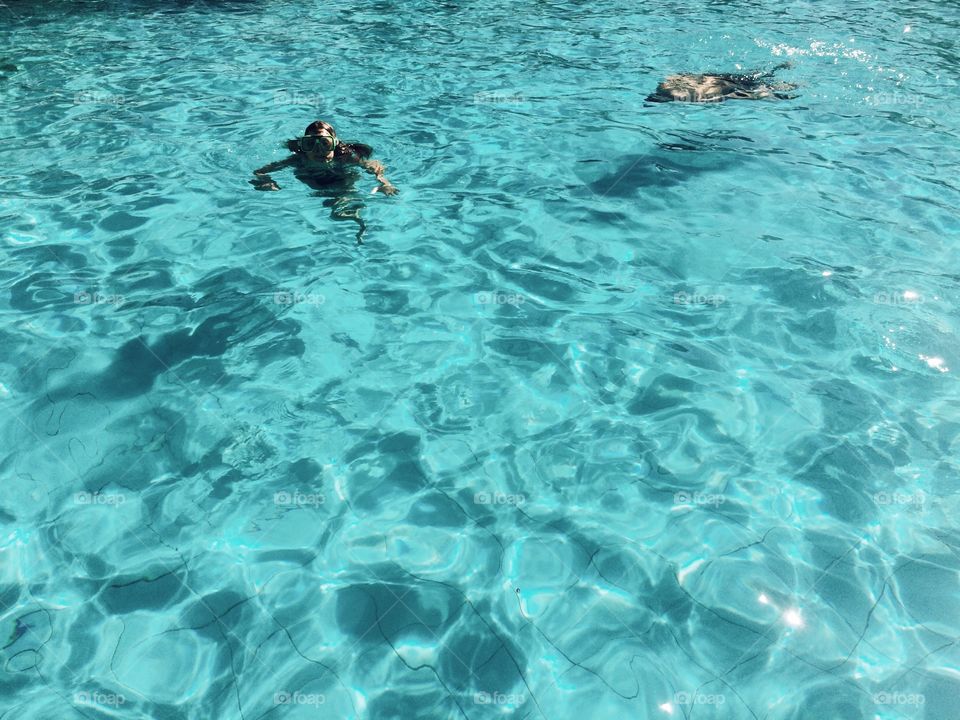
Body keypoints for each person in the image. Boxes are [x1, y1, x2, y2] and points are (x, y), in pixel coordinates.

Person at [251, 120, 397, 242]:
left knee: (339, 203)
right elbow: (259, 171)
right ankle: (352, 213)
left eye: (325, 143)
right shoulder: (297, 160)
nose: (318, 150)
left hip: (342, 180)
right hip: (314, 183)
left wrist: (384, 183)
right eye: (310, 144)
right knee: (330, 202)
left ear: (335, 144)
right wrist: (266, 180)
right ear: (303, 147)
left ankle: (351, 211)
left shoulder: (346, 157)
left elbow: (375, 166)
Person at [646, 62, 797, 103]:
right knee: (755, 77)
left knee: (763, 88)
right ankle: (780, 67)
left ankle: (791, 89)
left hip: (731, 86)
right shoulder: (668, 84)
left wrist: (764, 96)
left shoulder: (684, 95)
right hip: (722, 78)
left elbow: (734, 95)